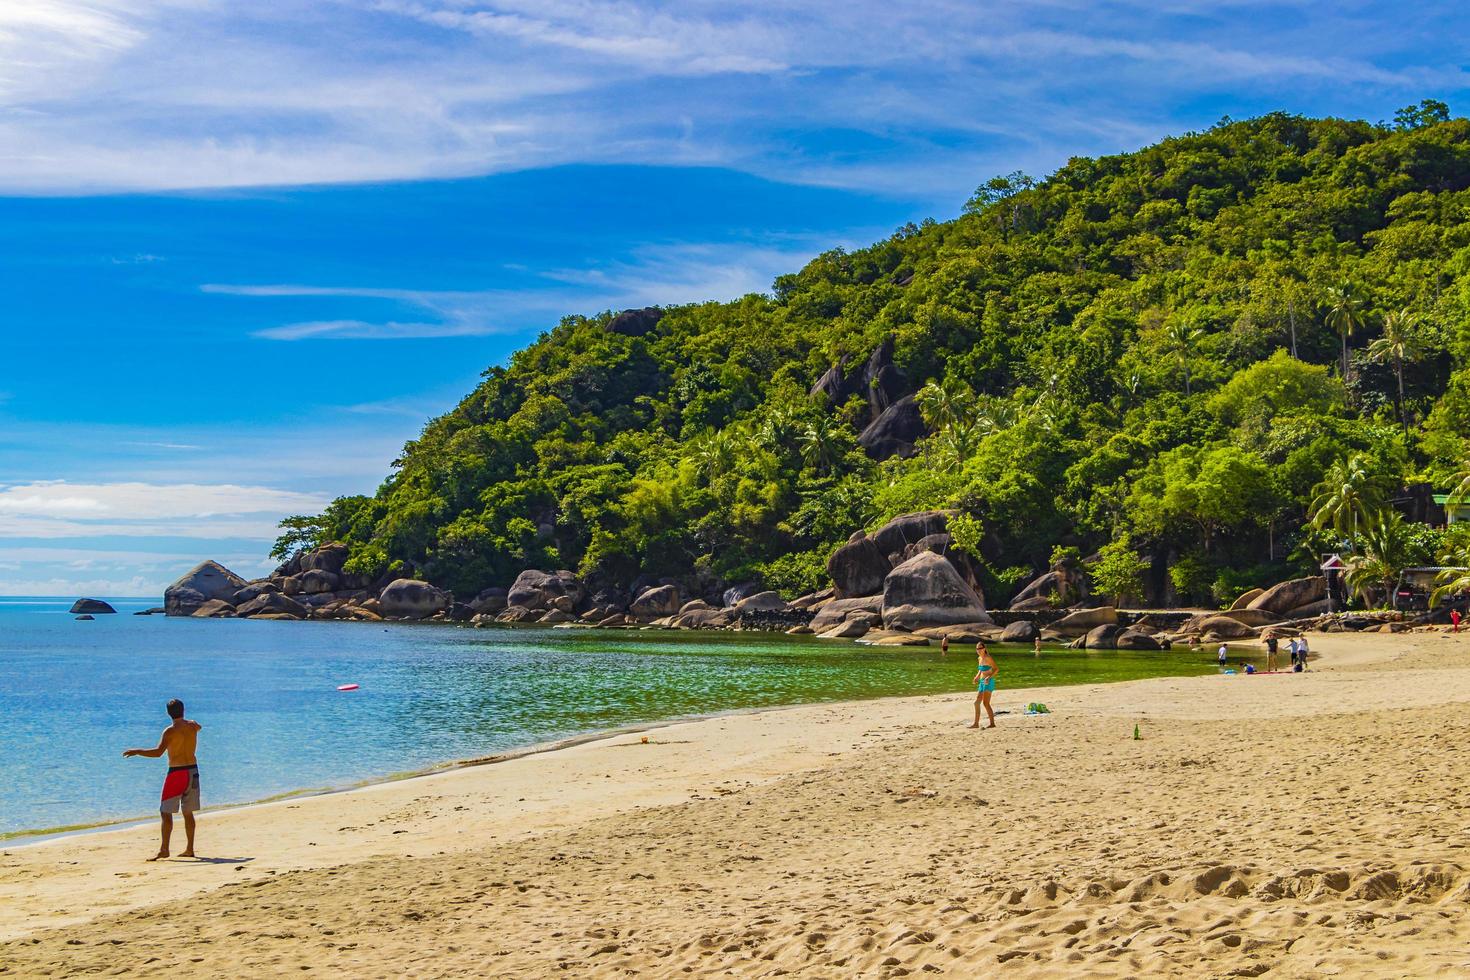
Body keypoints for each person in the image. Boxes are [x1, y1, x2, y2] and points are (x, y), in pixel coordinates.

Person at [123, 699, 202, 861]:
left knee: (165, 812)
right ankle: (189, 849)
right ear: (183, 710)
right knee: (188, 812)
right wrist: (194, 722)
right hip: (193, 771)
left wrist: (138, 751)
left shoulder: (170, 731)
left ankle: (164, 849)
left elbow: (158, 752)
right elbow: (199, 727)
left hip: (177, 772)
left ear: (168, 713)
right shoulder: (192, 726)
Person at [970, 642, 998, 729]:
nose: (978, 650)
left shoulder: (988, 658)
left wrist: (988, 677)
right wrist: (977, 677)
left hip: (988, 682)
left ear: (984, 648)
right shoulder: (979, 658)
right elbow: (980, 669)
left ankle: (992, 723)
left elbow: (996, 669)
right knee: (976, 702)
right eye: (977, 649)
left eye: (980, 648)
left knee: (986, 703)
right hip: (982, 682)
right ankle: (976, 724)